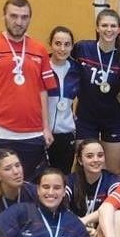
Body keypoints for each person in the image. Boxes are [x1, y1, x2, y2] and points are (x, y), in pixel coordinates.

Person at [0, 0, 56, 182]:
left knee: (31, 187)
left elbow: (43, 91)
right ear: (4, 17)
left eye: (24, 17)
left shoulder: (39, 50)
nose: (19, 22)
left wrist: (46, 128)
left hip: (33, 133)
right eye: (14, 16)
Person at [73, 9, 120, 176]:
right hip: (85, 117)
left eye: (113, 26)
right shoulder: (82, 48)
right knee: (82, 169)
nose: (109, 29)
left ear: (119, 29)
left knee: (114, 171)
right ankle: (81, 202)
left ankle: (111, 202)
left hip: (112, 118)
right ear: (97, 27)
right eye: (104, 25)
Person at [65, 139, 120, 237]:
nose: (96, 160)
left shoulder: (113, 181)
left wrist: (84, 221)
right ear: (80, 160)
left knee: (117, 216)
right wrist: (81, 227)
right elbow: (61, 208)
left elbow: (111, 207)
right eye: (89, 156)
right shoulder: (69, 181)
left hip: (104, 234)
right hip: (74, 232)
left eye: (100, 155)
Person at [46, 26, 83, 174]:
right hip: (43, 134)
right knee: (41, 179)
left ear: (72, 46)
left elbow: (83, 96)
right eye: (58, 43)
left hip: (66, 135)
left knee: (62, 178)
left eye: (67, 44)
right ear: (51, 44)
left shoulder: (76, 69)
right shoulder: (41, 67)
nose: (62, 49)